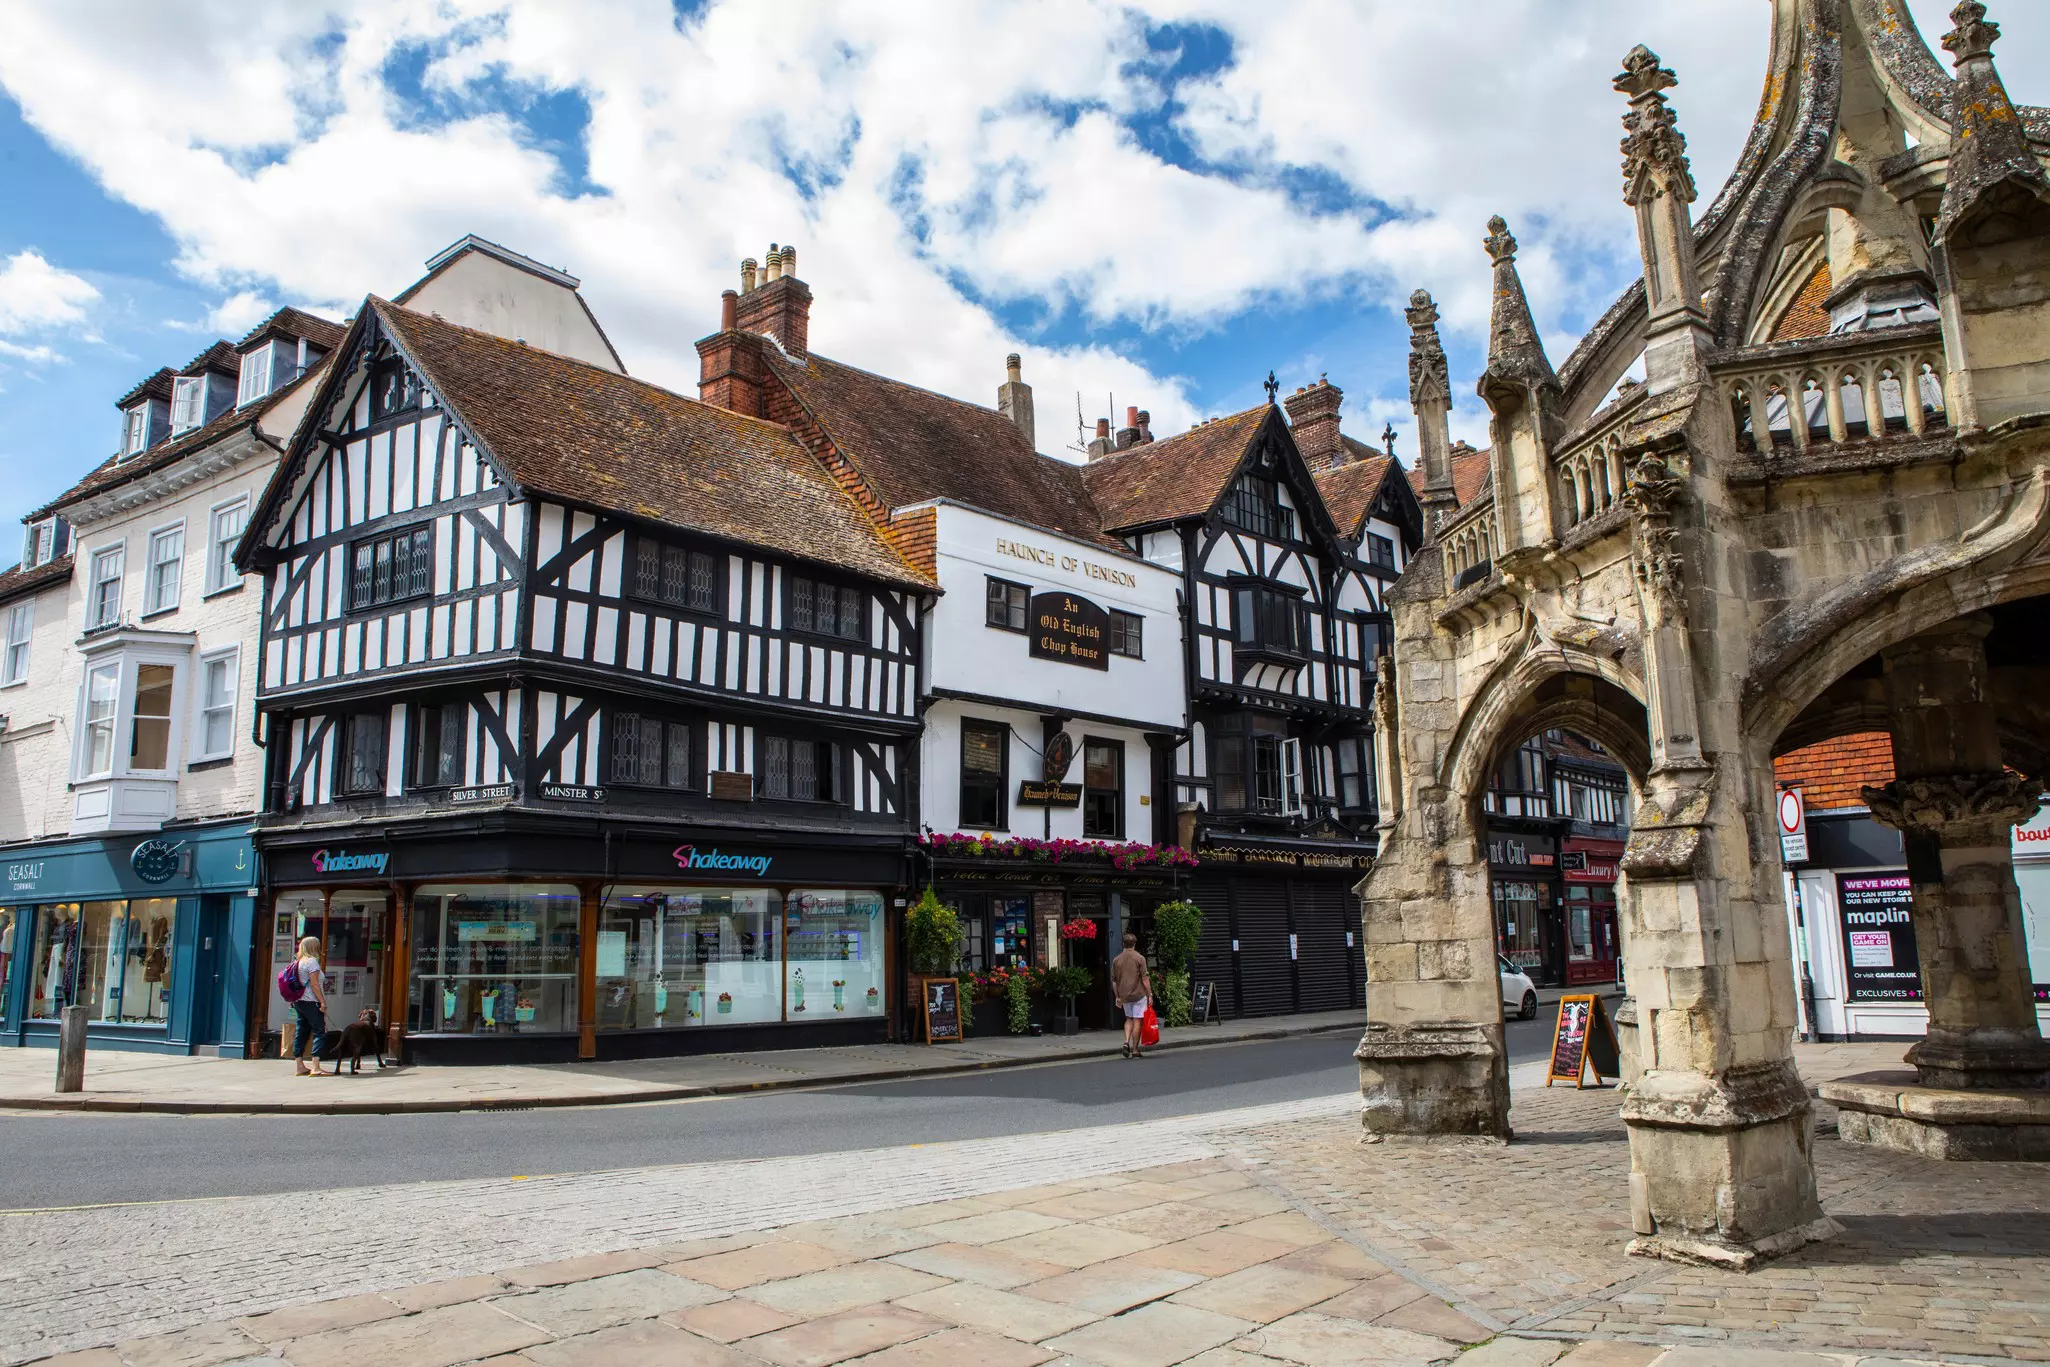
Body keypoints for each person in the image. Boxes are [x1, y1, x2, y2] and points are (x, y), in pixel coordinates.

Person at [289, 936, 329, 1078]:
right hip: (311, 1002)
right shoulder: (312, 962)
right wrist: (322, 1002)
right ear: (314, 947)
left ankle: (300, 1065)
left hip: (299, 1002)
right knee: (320, 1031)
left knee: (302, 1031)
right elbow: (314, 984)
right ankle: (316, 1066)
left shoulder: (298, 962)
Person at [1111, 931, 1151, 1059]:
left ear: (1123, 944)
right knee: (1138, 1020)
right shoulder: (1140, 958)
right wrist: (1150, 994)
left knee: (1129, 1018)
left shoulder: (1116, 960)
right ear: (1134, 944)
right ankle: (1134, 1049)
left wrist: (1117, 996)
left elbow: (1114, 981)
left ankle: (1126, 1042)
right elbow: (1145, 978)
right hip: (1139, 994)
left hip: (1124, 995)